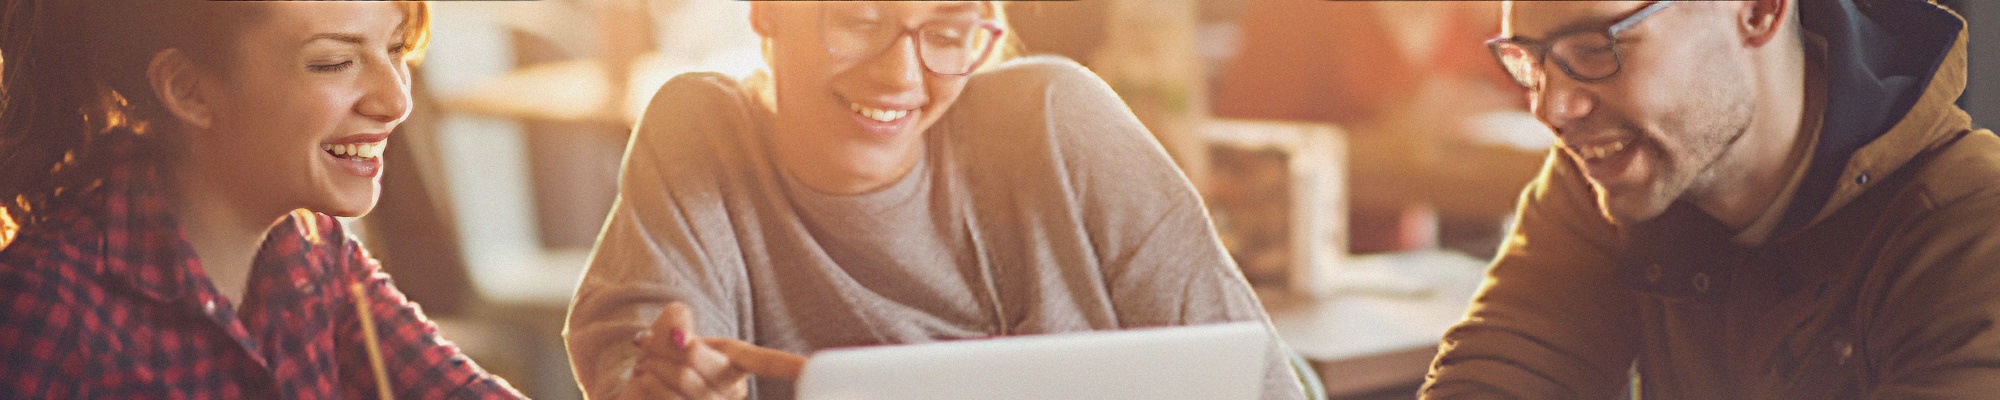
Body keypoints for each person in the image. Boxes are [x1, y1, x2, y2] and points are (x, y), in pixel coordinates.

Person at [562, 1, 1306, 399]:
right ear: (767, 10)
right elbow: (636, 360)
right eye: (859, 20)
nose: (900, 76)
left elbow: (1259, 387)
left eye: (947, 32)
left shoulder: (1060, 123)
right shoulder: (702, 135)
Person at [1424, 0, 2000, 398]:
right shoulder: (1613, 178)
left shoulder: (1970, 232)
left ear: (1757, 11)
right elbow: (1497, 374)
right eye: (1531, 61)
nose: (1551, 110)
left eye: (1598, 47)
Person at [0, 1, 523, 397]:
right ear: (189, 91)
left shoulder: (313, 255)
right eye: (335, 62)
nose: (397, 101)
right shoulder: (45, 309)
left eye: (395, 50)